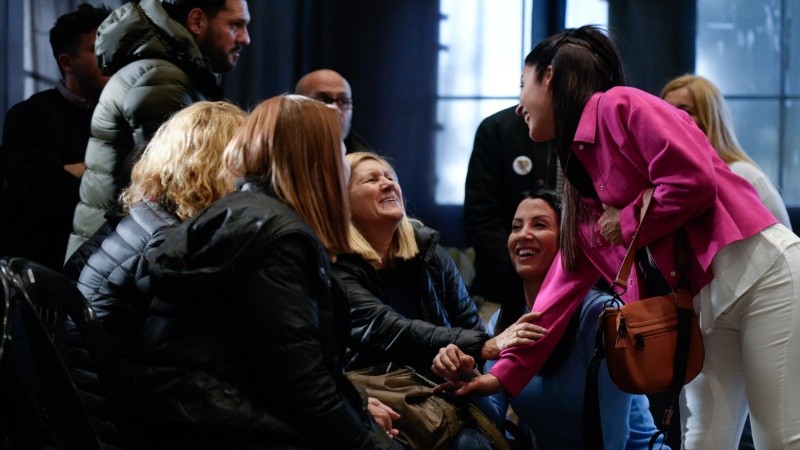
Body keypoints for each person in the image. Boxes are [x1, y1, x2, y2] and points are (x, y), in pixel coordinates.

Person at [433, 25, 800, 449]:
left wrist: (624, 222)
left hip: (763, 273)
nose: (519, 105)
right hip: (702, 302)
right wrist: (499, 376)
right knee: (703, 439)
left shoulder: (619, 106)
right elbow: (561, 288)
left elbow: (695, 180)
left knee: (781, 438)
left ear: (549, 77)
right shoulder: (579, 173)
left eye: (522, 85)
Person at [138, 95, 401, 449]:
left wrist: (357, 408)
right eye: (340, 153)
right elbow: (302, 391)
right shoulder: (277, 238)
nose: (346, 167)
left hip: (198, 418)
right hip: (224, 428)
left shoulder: (246, 214)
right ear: (319, 161)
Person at [333, 151, 545, 449]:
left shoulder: (429, 254)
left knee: (482, 432)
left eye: (390, 178)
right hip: (383, 396)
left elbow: (469, 325)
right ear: (342, 202)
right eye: (371, 179)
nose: (387, 184)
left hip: (444, 390)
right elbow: (388, 327)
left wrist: (464, 362)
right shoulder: (335, 266)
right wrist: (481, 345)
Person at [437, 190, 667, 450]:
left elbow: (612, 437)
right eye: (516, 227)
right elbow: (493, 415)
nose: (523, 234)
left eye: (539, 225)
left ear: (568, 241)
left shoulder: (601, 315)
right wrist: (466, 376)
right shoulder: (502, 323)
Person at [66, 0, 251, 258]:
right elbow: (178, 191)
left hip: (113, 249)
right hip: (117, 257)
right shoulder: (161, 79)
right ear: (197, 21)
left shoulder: (167, 72)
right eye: (236, 25)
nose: (246, 38)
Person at [0, 4, 110, 270]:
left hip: (106, 269)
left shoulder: (125, 117)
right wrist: (109, 173)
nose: (111, 58)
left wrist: (77, 170)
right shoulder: (29, 117)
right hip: (42, 275)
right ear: (67, 62)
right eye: (98, 50)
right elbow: (46, 196)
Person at [661, 74, 792, 230]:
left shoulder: (744, 175)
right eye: (664, 110)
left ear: (711, 119)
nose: (672, 117)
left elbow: (786, 247)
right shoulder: (664, 182)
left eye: (686, 111)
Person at [464, 105, 560, 307]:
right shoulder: (497, 129)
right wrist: (525, 272)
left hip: (572, 289)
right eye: (522, 83)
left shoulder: (584, 128)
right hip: (500, 292)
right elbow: (480, 218)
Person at [295, 69, 373, 153]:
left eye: (343, 101)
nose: (335, 109)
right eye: (324, 100)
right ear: (296, 107)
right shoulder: (280, 150)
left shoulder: (362, 162)